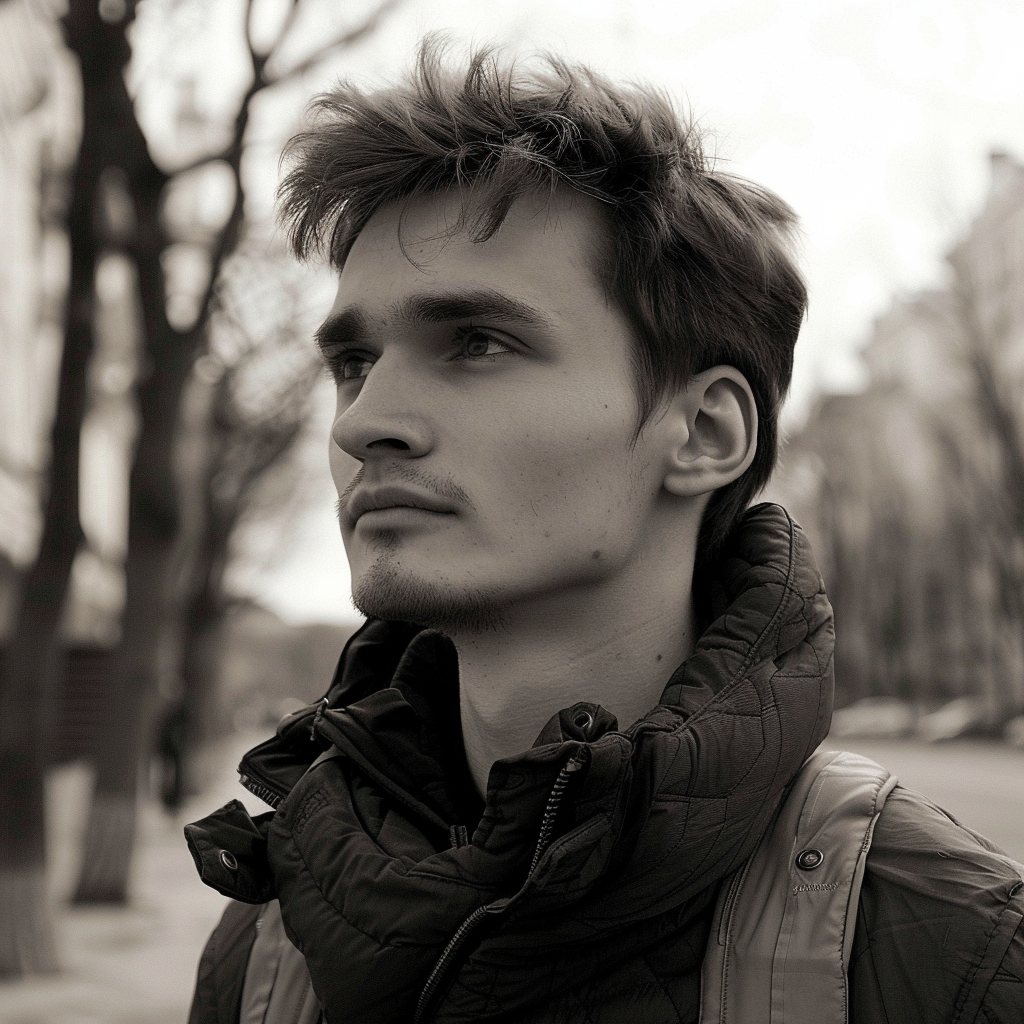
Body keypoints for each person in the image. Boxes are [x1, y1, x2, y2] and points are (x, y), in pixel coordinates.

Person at [184, 42, 1024, 1024]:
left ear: (703, 432)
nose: (363, 421)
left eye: (477, 343)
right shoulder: (267, 940)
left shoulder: (950, 954)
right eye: (355, 361)